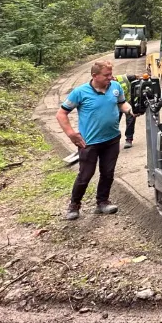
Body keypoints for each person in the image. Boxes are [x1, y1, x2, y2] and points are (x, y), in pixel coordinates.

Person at [57, 59, 131, 220]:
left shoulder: (115, 87)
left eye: (111, 74)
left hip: (112, 139)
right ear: (94, 76)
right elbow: (61, 113)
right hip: (89, 142)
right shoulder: (80, 92)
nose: (110, 78)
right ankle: (74, 205)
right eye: (106, 75)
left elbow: (121, 103)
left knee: (108, 173)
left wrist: (129, 109)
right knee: (85, 175)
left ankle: (102, 202)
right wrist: (71, 134)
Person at [115, 72, 138, 148]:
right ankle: (112, 140)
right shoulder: (105, 86)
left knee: (130, 121)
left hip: (128, 101)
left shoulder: (124, 78)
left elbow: (135, 77)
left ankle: (129, 139)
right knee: (114, 122)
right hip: (116, 105)